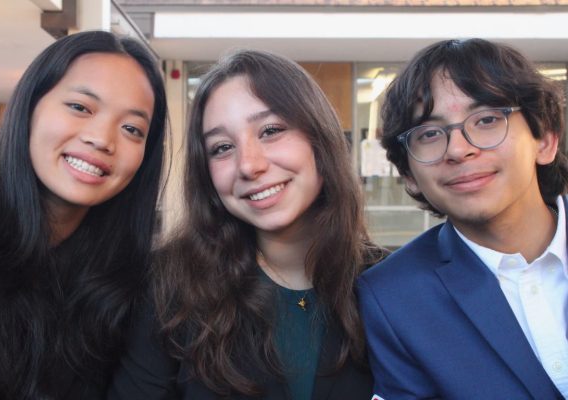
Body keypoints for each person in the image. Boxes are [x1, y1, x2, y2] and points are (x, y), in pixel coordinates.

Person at [108, 49, 386, 399]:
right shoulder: (168, 289)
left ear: (319, 140)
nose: (249, 165)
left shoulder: (393, 286)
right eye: (222, 147)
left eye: (270, 130)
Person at [357, 38, 568, 399]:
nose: (458, 149)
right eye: (429, 133)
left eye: (487, 119)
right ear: (408, 173)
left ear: (545, 139)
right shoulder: (393, 297)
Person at [0, 30, 168, 399]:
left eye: (132, 129)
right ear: (29, 107)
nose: (102, 139)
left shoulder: (137, 287)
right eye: (80, 107)